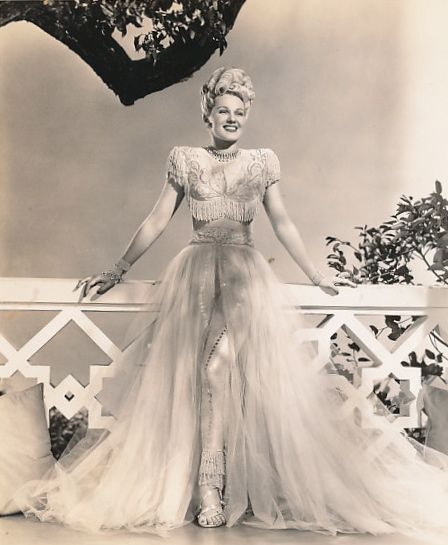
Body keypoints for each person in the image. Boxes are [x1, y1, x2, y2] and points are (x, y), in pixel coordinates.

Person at [12, 67, 448, 543]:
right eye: (224, 111)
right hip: (195, 280)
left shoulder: (261, 163)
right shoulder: (186, 160)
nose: (233, 118)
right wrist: (117, 268)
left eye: (240, 111)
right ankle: (199, 487)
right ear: (209, 114)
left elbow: (283, 223)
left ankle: (214, 487)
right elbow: (157, 219)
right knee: (193, 379)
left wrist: (316, 276)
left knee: (216, 371)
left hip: (243, 280)